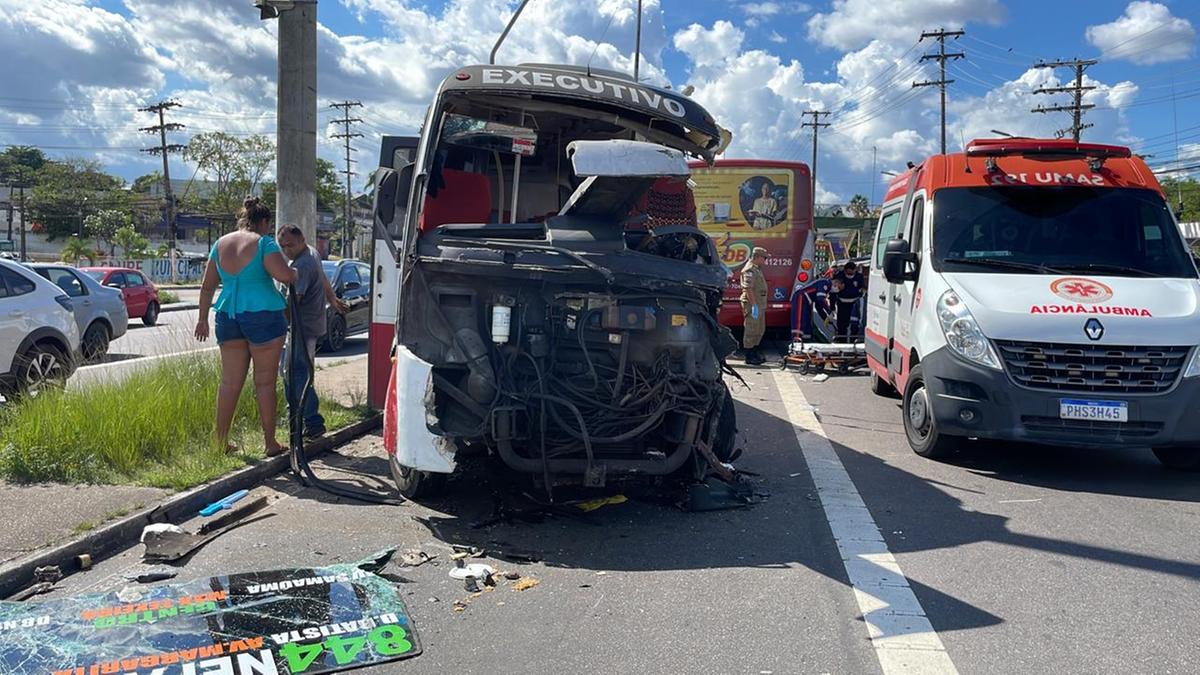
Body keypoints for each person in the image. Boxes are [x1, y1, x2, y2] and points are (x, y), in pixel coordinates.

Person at [194, 197, 297, 457]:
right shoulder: (264, 243)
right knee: (264, 383)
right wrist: (296, 273)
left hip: (227, 315)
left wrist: (202, 318)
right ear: (264, 222)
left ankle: (220, 442)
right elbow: (283, 275)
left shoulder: (220, 244)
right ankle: (270, 443)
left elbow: (207, 287)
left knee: (229, 383)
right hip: (263, 315)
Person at [276, 225, 347, 439]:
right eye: (282, 246)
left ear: (302, 240)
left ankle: (309, 420)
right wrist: (332, 299)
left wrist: (280, 325)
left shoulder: (302, 265)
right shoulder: (312, 253)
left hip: (302, 326)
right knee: (299, 372)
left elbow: (293, 302)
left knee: (295, 374)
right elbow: (324, 278)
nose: (286, 250)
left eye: (290, 245)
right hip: (310, 325)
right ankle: (302, 418)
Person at [740, 247, 769, 365]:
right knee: (751, 329)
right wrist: (754, 305)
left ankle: (755, 352)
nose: (765, 260)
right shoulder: (750, 270)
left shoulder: (757, 269)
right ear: (757, 257)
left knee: (759, 329)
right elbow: (748, 288)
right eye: (764, 258)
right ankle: (749, 355)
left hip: (759, 304)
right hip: (753, 304)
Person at [831, 261, 865, 341]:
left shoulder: (859, 277)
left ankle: (854, 340)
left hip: (855, 304)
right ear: (845, 270)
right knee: (842, 324)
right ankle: (842, 340)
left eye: (852, 273)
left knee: (855, 323)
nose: (850, 275)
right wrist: (832, 307)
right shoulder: (839, 276)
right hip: (842, 303)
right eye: (849, 273)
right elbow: (832, 292)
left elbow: (862, 289)